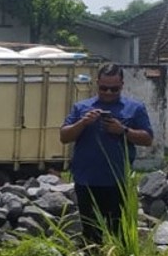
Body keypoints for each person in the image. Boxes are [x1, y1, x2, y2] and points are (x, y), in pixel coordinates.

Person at [60, 63, 154, 244]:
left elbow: (147, 138)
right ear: (97, 84)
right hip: (86, 181)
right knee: (90, 234)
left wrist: (123, 130)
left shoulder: (135, 108)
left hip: (117, 183)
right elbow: (64, 136)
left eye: (114, 89)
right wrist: (83, 123)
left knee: (120, 234)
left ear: (122, 85)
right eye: (104, 88)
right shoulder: (81, 107)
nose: (109, 93)